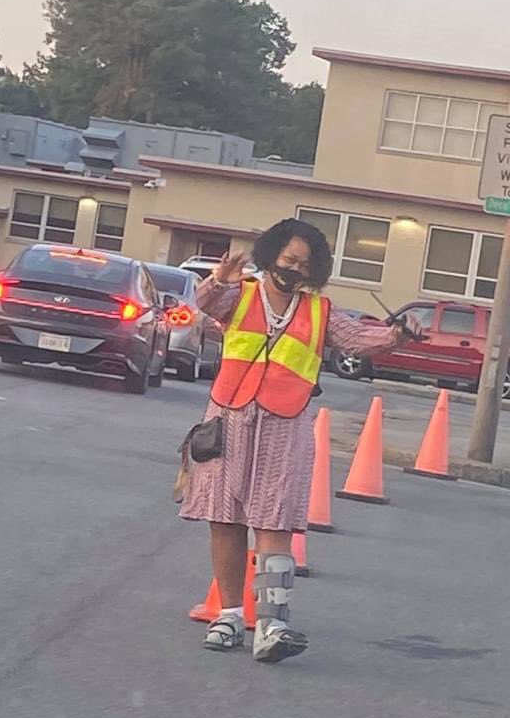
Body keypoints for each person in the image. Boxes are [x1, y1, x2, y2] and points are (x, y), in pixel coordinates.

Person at [179, 218, 420, 663]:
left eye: (303, 265)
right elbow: (205, 305)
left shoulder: (319, 311)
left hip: (284, 424)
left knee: (274, 523)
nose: (293, 270)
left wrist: (396, 334)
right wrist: (218, 279)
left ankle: (272, 624)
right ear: (270, 256)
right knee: (225, 519)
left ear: (314, 272)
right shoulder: (241, 295)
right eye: (288, 260)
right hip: (228, 419)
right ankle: (229, 616)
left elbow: (357, 339)